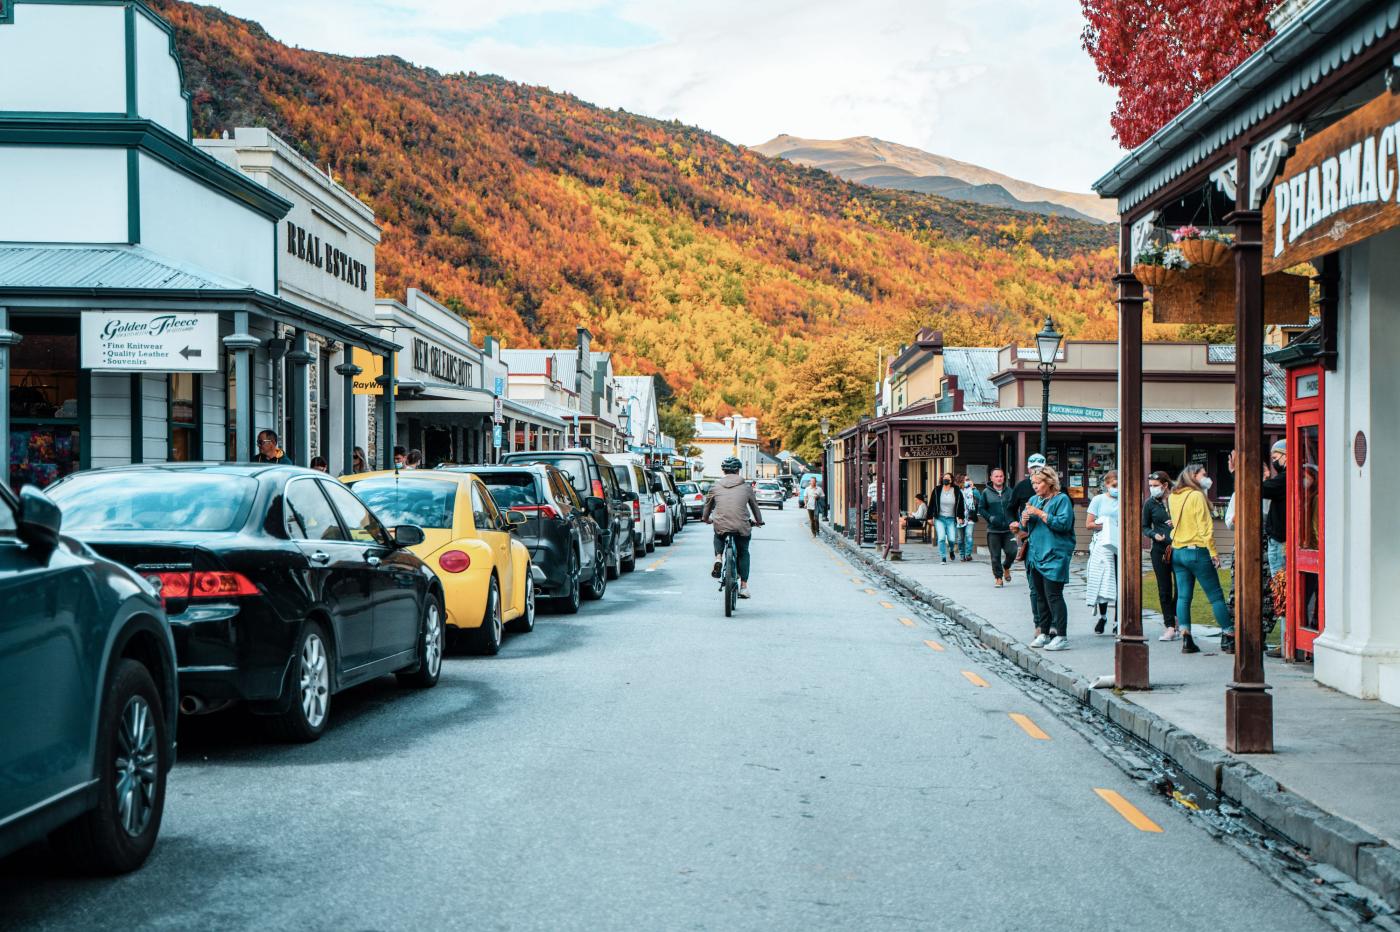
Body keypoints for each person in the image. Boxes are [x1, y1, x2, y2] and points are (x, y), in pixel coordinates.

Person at [1168, 464, 1232, 654]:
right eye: (1204, 474)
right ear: (1194, 476)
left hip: (1178, 550)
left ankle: (1186, 636)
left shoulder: (1173, 496)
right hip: (1197, 550)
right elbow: (1205, 528)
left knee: (1183, 596)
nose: (1207, 477)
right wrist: (1214, 552)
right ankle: (1229, 635)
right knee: (1215, 597)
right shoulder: (1196, 496)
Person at [1023, 466, 1075, 651]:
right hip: (1036, 554)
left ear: (1049, 482)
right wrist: (1023, 520)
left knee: (1053, 595)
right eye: (1033, 483)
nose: (1035, 487)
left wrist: (1039, 513)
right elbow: (1026, 529)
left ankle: (1061, 635)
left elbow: (1063, 524)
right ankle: (1044, 632)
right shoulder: (1033, 500)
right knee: (1039, 596)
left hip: (1055, 554)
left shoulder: (1062, 500)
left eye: (1038, 483)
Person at [703, 455, 765, 599]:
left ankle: (718, 557)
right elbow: (754, 506)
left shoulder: (715, 487)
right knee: (743, 552)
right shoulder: (746, 487)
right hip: (741, 525)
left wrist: (706, 519)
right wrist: (759, 521)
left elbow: (708, 506)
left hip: (721, 523)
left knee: (718, 533)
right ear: (738, 471)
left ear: (723, 471)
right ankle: (743, 587)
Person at [1143, 471, 1179, 640]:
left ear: (1165, 485)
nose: (1152, 489)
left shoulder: (1176, 499)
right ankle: (1170, 626)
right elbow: (1144, 526)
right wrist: (1152, 534)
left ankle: (1176, 617)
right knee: (1164, 589)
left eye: (1155, 486)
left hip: (1178, 547)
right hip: (1159, 550)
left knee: (1181, 587)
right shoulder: (1149, 504)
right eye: (1150, 485)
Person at [1084, 470, 1119, 635]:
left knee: (1119, 584)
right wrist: (1104, 524)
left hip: (1119, 546)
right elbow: (1089, 524)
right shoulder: (1098, 500)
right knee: (1103, 579)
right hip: (1103, 545)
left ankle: (1118, 620)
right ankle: (1103, 616)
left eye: (1120, 485)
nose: (1117, 489)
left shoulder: (1124, 499)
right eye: (1114, 485)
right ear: (1106, 485)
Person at [978, 467, 1017, 587]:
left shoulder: (1010, 492)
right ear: (991, 478)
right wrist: (990, 518)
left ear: (1004, 477)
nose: (999, 478)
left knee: (1012, 552)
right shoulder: (986, 492)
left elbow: (1015, 508)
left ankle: (1006, 566)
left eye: (1001, 476)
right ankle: (998, 578)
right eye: (996, 476)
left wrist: (1015, 521)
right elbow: (981, 508)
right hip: (993, 530)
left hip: (1008, 530)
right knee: (995, 556)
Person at [1262, 439, 1287, 578]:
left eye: (1275, 458)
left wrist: (1236, 473)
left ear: (1287, 456)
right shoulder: (1291, 477)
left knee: (1280, 585)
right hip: (1286, 538)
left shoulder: (1285, 478)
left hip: (1279, 540)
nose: (1273, 462)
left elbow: (1260, 489)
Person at [932, 472, 965, 565]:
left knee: (951, 539)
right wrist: (930, 517)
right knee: (941, 538)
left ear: (951, 480)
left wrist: (961, 517)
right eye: (944, 478)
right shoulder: (937, 489)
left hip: (951, 519)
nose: (945, 479)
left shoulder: (956, 490)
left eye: (948, 478)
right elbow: (932, 503)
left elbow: (961, 504)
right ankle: (943, 558)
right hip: (940, 518)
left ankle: (951, 550)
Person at [958, 475, 979, 561]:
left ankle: (968, 554)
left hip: (970, 516)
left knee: (969, 536)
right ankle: (962, 555)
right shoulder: (957, 491)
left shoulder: (972, 490)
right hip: (959, 517)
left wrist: (973, 487)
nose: (968, 481)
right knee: (960, 538)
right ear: (961, 481)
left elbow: (979, 497)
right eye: (966, 480)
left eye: (968, 479)